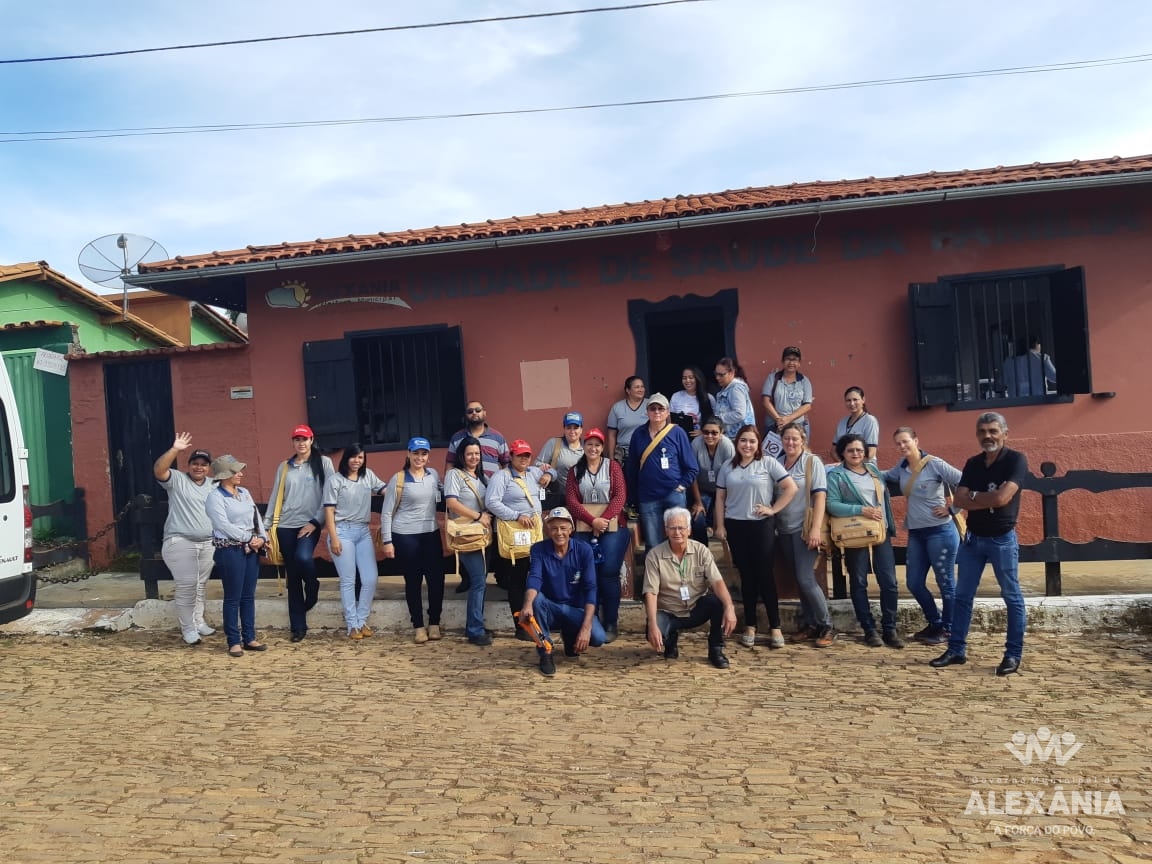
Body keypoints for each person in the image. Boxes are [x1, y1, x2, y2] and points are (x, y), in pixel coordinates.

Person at [930, 412, 1029, 676]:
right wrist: (985, 497)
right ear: (977, 435)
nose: (988, 436)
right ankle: (956, 649)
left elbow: (1003, 499)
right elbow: (960, 501)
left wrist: (978, 496)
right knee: (962, 596)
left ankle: (1012, 655)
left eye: (993, 431)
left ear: (1005, 433)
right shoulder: (973, 463)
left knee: (1012, 597)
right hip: (973, 540)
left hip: (1001, 539)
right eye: (983, 431)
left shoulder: (1016, 460)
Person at [713, 424, 797, 650]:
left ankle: (775, 626)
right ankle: (750, 625)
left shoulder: (768, 463)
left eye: (752, 441)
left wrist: (773, 509)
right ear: (736, 443)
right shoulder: (727, 467)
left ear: (758, 443)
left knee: (765, 575)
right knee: (747, 576)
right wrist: (720, 525)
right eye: (743, 441)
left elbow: (791, 488)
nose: (747, 445)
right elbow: (720, 498)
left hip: (761, 526)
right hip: (736, 526)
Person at [826, 433, 905, 649]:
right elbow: (832, 505)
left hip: (881, 531)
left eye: (860, 450)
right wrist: (862, 510)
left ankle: (890, 628)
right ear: (843, 452)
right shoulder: (836, 476)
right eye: (851, 450)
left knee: (889, 582)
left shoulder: (873, 471)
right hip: (856, 533)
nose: (856, 454)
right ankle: (869, 629)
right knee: (859, 581)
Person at [885, 426, 962, 646]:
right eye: (898, 443)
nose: (902, 446)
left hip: (941, 531)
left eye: (906, 442)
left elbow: (965, 481)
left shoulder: (935, 464)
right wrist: (852, 468)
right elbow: (882, 476)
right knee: (914, 582)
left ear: (916, 441)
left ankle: (948, 629)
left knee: (946, 583)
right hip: (917, 533)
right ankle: (935, 622)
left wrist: (953, 509)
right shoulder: (901, 468)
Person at [265, 424, 335, 643]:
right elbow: (276, 495)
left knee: (303, 557)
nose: (301, 443)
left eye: (304, 439)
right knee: (293, 575)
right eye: (296, 439)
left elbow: (330, 495)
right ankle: (298, 625)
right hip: (286, 524)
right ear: (292, 442)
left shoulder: (323, 463)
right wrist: (267, 526)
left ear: (311, 440)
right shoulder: (284, 467)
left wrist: (316, 522)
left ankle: (312, 586)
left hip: (310, 524)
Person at [643, 507, 737, 668]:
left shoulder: (702, 551)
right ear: (666, 530)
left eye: (681, 528)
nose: (677, 532)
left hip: (695, 608)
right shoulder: (654, 555)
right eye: (672, 528)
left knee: (718, 602)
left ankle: (716, 648)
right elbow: (651, 592)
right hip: (669, 610)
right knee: (655, 629)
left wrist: (730, 607)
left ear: (689, 530)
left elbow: (717, 581)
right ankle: (670, 640)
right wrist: (652, 624)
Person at [522, 506, 604, 676]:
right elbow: (535, 578)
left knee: (598, 637)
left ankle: (570, 634)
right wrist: (527, 604)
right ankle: (545, 651)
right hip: (550, 607)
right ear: (548, 530)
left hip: (575, 609)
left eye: (563, 528)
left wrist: (586, 628)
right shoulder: (538, 549)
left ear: (571, 530)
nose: (559, 533)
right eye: (554, 528)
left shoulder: (584, 550)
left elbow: (591, 588)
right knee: (537, 600)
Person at [379, 436, 445, 644]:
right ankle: (418, 625)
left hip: (430, 533)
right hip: (405, 535)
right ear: (408, 454)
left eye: (423, 453)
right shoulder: (398, 479)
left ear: (428, 456)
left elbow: (444, 495)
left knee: (436, 580)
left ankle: (434, 622)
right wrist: (388, 541)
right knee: (413, 582)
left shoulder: (433, 475)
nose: (419, 457)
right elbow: (387, 513)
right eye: (415, 453)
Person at [153, 433, 217, 646]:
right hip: (180, 540)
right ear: (188, 465)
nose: (199, 467)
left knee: (200, 584)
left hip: (208, 542)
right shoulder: (177, 479)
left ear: (209, 467)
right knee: (187, 584)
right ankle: (188, 628)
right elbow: (159, 470)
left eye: (204, 464)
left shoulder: (213, 484)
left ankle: (198, 621)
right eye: (195, 463)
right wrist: (175, 449)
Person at [565, 427, 628, 642]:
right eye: (589, 444)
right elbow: (571, 501)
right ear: (584, 446)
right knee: (586, 571)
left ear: (602, 448)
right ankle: (589, 619)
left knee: (608, 572)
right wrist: (593, 521)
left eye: (597, 444)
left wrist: (603, 521)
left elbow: (620, 496)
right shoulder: (575, 471)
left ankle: (611, 620)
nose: (593, 448)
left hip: (612, 525)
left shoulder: (613, 467)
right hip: (585, 526)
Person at [776, 422, 835, 648]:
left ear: (803, 440)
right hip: (784, 528)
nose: (790, 442)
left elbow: (820, 496)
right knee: (799, 580)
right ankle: (811, 624)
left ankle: (827, 625)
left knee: (805, 578)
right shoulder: (779, 463)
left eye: (795, 438)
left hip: (805, 528)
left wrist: (815, 529)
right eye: (786, 438)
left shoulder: (812, 462)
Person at [205, 455, 268, 658]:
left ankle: (249, 636)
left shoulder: (244, 493)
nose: (240, 474)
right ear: (225, 475)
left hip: (251, 548)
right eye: (236, 471)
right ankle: (233, 640)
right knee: (233, 596)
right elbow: (223, 525)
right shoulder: (215, 498)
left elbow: (255, 516)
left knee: (248, 595)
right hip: (230, 550)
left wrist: (261, 537)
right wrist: (248, 537)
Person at [322, 443, 386, 640]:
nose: (357, 461)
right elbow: (329, 511)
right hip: (342, 531)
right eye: (353, 457)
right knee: (348, 580)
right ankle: (352, 625)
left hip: (363, 531)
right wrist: (334, 538)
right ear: (346, 458)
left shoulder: (368, 476)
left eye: (360, 457)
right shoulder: (335, 480)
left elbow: (386, 490)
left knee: (370, 578)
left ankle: (361, 620)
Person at [485, 438, 546, 635]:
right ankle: (521, 627)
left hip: (534, 534)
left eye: (527, 455)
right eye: (519, 455)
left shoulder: (534, 472)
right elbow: (491, 502)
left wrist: (550, 475)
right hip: (514, 534)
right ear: (511, 456)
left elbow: (549, 471)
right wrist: (516, 516)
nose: (523, 458)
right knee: (517, 580)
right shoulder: (501, 477)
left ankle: (537, 621)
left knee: (535, 575)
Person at [625, 393, 699, 552]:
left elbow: (692, 467)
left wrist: (681, 486)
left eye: (661, 408)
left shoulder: (677, 433)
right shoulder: (639, 434)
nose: (657, 412)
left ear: (667, 412)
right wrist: (632, 497)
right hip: (648, 497)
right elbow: (631, 468)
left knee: (680, 540)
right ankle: (655, 576)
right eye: (653, 408)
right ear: (647, 412)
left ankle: (682, 576)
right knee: (653, 544)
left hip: (674, 494)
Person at [444, 436, 494, 646]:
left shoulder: (482, 478)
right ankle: (474, 629)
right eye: (469, 454)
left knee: (480, 581)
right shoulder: (454, 475)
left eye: (477, 453)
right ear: (462, 456)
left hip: (483, 534)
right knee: (478, 582)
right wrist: (478, 516)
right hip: (467, 534)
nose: (474, 457)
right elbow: (452, 503)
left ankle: (477, 623)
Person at [689, 416, 735, 545]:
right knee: (697, 519)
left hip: (723, 490)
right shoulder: (696, 444)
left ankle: (733, 555)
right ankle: (702, 553)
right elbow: (692, 474)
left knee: (729, 520)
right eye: (706, 432)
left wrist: (720, 504)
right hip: (701, 489)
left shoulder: (727, 446)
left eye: (714, 433)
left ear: (721, 433)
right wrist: (698, 502)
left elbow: (731, 476)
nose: (709, 436)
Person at [445, 399, 510, 480]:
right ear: (466, 415)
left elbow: (506, 463)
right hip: (465, 488)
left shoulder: (497, 437)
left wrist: (505, 483)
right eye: (470, 411)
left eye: (478, 410)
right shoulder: (457, 438)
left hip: (492, 487)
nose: (474, 413)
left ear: (484, 413)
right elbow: (450, 462)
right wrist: (447, 482)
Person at [535, 411, 584, 512]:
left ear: (581, 429)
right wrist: (545, 470)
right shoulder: (554, 443)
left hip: (581, 498)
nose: (572, 431)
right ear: (564, 429)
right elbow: (537, 464)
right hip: (556, 498)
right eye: (568, 427)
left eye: (576, 428)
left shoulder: (587, 447)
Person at [761, 346, 813, 437]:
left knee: (796, 450)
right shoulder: (773, 378)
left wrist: (788, 419)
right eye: (788, 359)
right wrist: (779, 420)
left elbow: (807, 405)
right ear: (782, 361)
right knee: (773, 451)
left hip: (798, 425)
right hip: (775, 425)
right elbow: (766, 401)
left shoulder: (804, 381)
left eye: (795, 360)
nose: (791, 362)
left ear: (799, 363)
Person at [605, 376, 649, 463]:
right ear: (628, 390)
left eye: (642, 386)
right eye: (637, 387)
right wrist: (611, 459)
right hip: (625, 456)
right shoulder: (617, 407)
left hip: (647, 453)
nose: (641, 389)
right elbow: (611, 435)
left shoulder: (651, 405)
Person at [833, 386, 880, 463]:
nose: (852, 403)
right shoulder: (842, 422)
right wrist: (843, 465)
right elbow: (833, 450)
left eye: (855, 399)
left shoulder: (870, 421)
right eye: (848, 400)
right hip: (844, 466)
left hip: (864, 465)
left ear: (863, 400)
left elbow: (871, 452)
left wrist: (851, 466)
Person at [713, 357, 755, 440]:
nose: (717, 378)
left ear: (731, 373)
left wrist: (718, 418)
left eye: (721, 375)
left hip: (738, 437)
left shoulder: (735, 389)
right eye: (716, 374)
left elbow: (739, 414)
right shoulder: (726, 388)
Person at [669, 367, 716, 437]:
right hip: (680, 437)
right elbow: (670, 419)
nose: (687, 381)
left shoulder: (708, 398)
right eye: (684, 378)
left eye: (691, 378)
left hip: (702, 439)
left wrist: (703, 431)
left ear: (698, 379)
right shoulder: (676, 396)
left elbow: (715, 420)